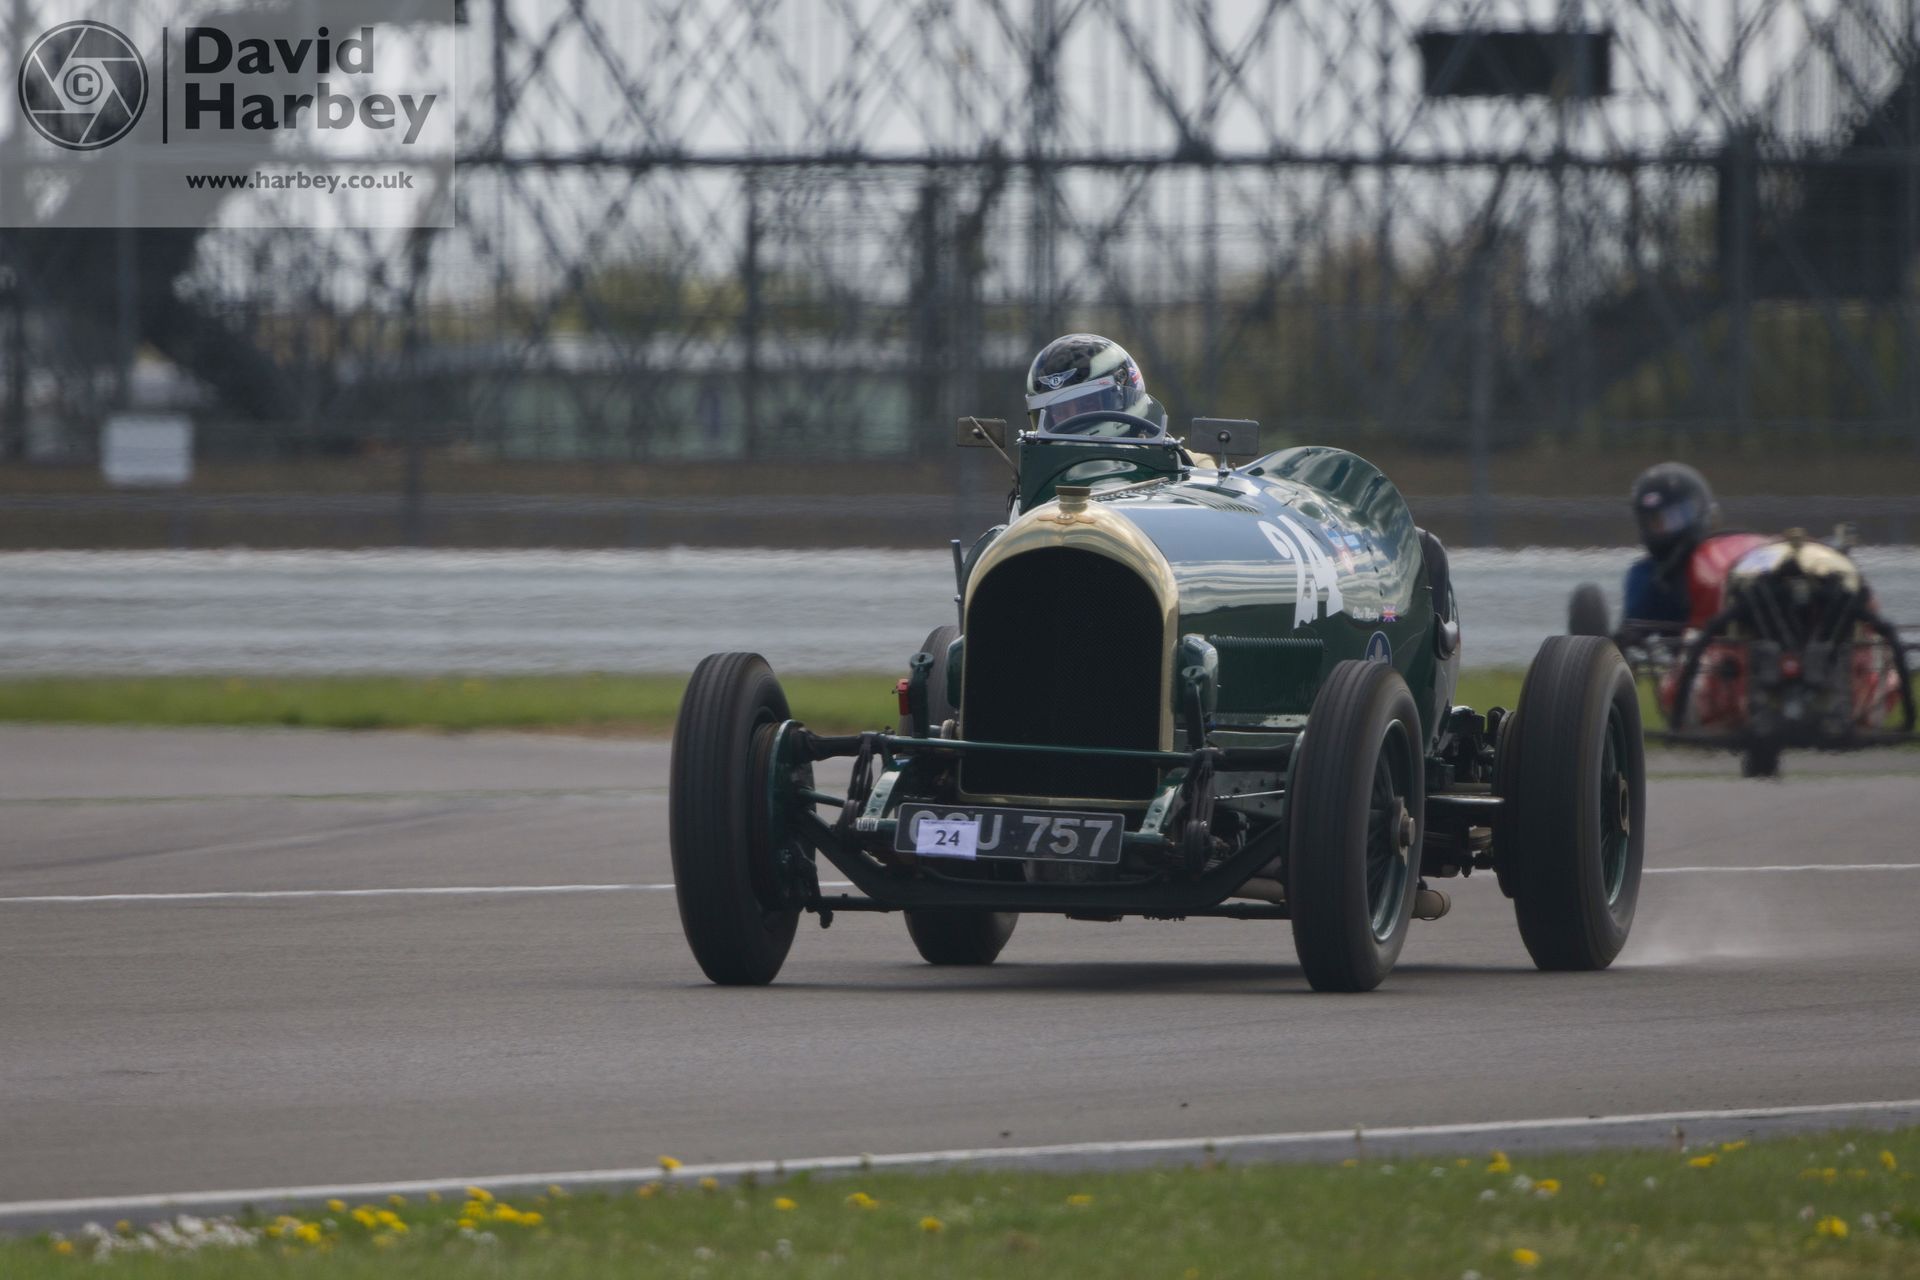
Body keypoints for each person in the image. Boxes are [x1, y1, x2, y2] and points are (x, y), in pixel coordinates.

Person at [1621, 462, 1718, 631]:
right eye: (1658, 522)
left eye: (1677, 518)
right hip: (1677, 642)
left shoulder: (1723, 557)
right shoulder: (1645, 576)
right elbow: (1632, 631)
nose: (1667, 526)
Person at [1023, 334, 1167, 436]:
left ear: (1122, 395)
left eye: (1085, 405)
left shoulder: (1166, 463)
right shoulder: (1038, 468)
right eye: (1061, 412)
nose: (1073, 419)